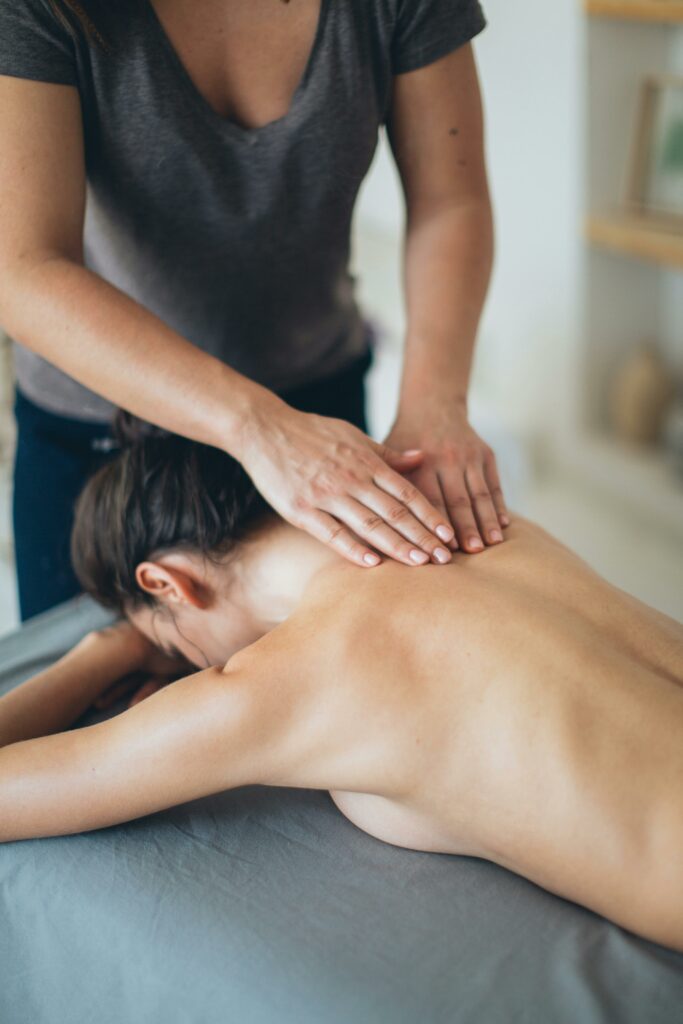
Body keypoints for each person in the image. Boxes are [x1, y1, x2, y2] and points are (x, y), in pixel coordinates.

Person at [1, 430, 681, 953]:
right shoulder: (469, 523)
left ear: (165, 583)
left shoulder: (284, 681)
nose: (183, 664)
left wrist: (104, 651)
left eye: (173, 647)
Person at [0, 0, 508, 622]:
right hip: (102, 437)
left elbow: (450, 201)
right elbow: (22, 268)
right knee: (86, 705)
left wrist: (436, 405)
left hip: (320, 412)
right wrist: (256, 426)